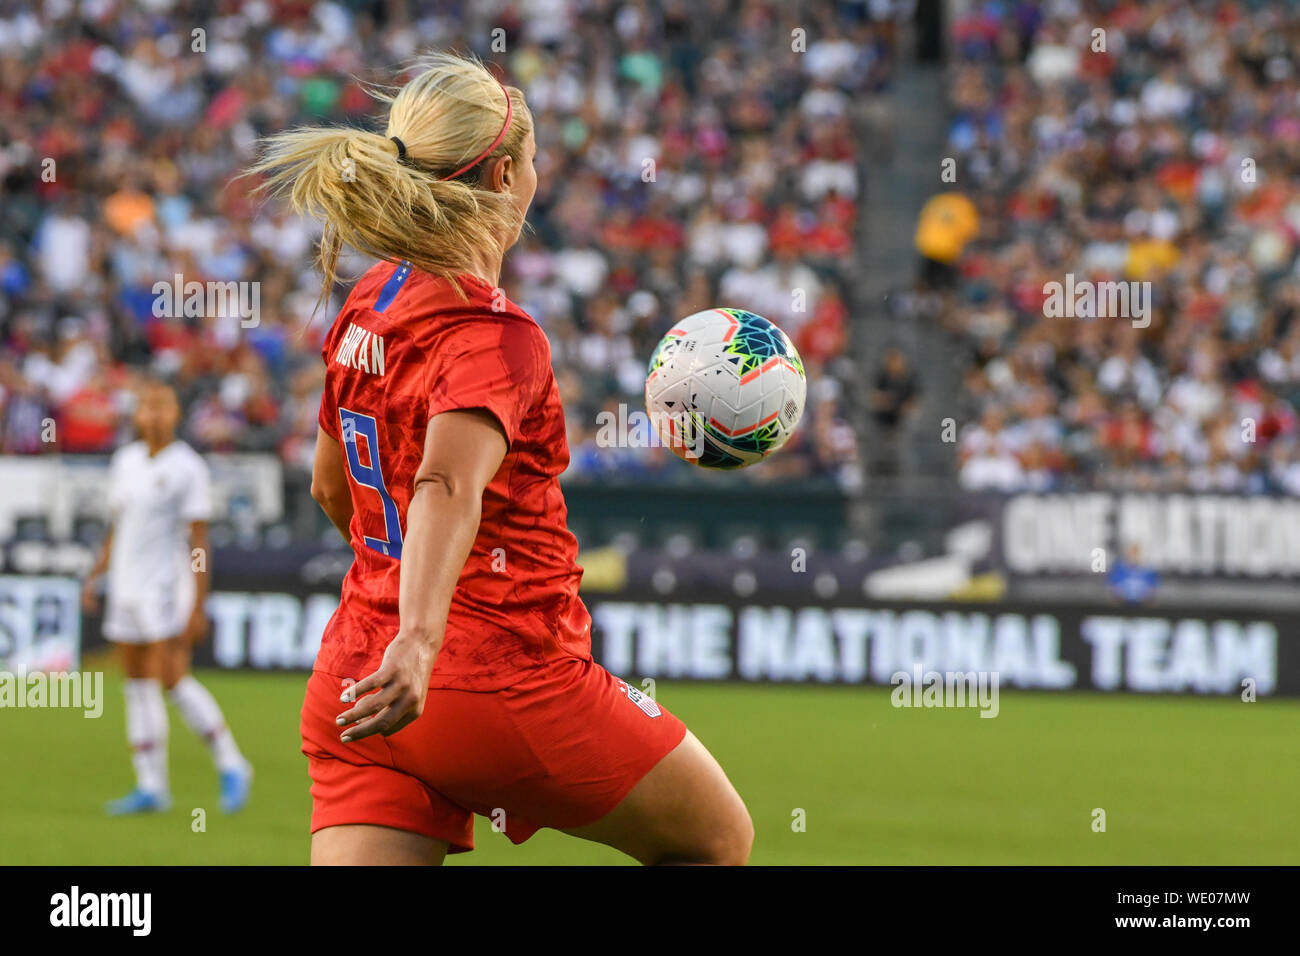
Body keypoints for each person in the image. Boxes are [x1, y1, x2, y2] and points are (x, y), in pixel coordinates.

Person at [251, 53, 752, 866]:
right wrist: (419, 637)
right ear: (510, 171)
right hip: (494, 678)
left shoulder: (370, 298)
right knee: (717, 837)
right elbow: (446, 482)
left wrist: (393, 609)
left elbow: (328, 484)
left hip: (353, 682)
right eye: (538, 160)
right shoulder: (496, 335)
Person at [82, 379, 252, 814]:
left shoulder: (187, 467)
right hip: (126, 585)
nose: (155, 414)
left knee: (172, 678)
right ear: (137, 415)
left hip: (165, 584)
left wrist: (198, 600)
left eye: (163, 406)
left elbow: (198, 542)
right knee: (136, 683)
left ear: (176, 414)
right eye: (147, 406)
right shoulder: (125, 461)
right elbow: (118, 527)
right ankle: (151, 786)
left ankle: (232, 762)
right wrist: (96, 574)